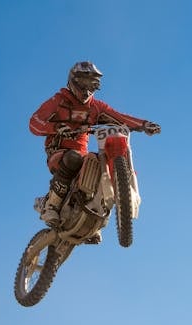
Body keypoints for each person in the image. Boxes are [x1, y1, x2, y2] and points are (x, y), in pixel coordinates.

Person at [29, 61, 161, 239]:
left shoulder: (96, 107)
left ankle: (94, 218)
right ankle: (51, 205)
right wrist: (55, 127)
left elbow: (119, 118)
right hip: (59, 151)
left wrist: (144, 124)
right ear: (74, 82)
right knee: (73, 159)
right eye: (83, 85)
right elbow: (34, 122)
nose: (86, 91)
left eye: (91, 86)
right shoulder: (58, 101)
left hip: (82, 154)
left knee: (98, 163)